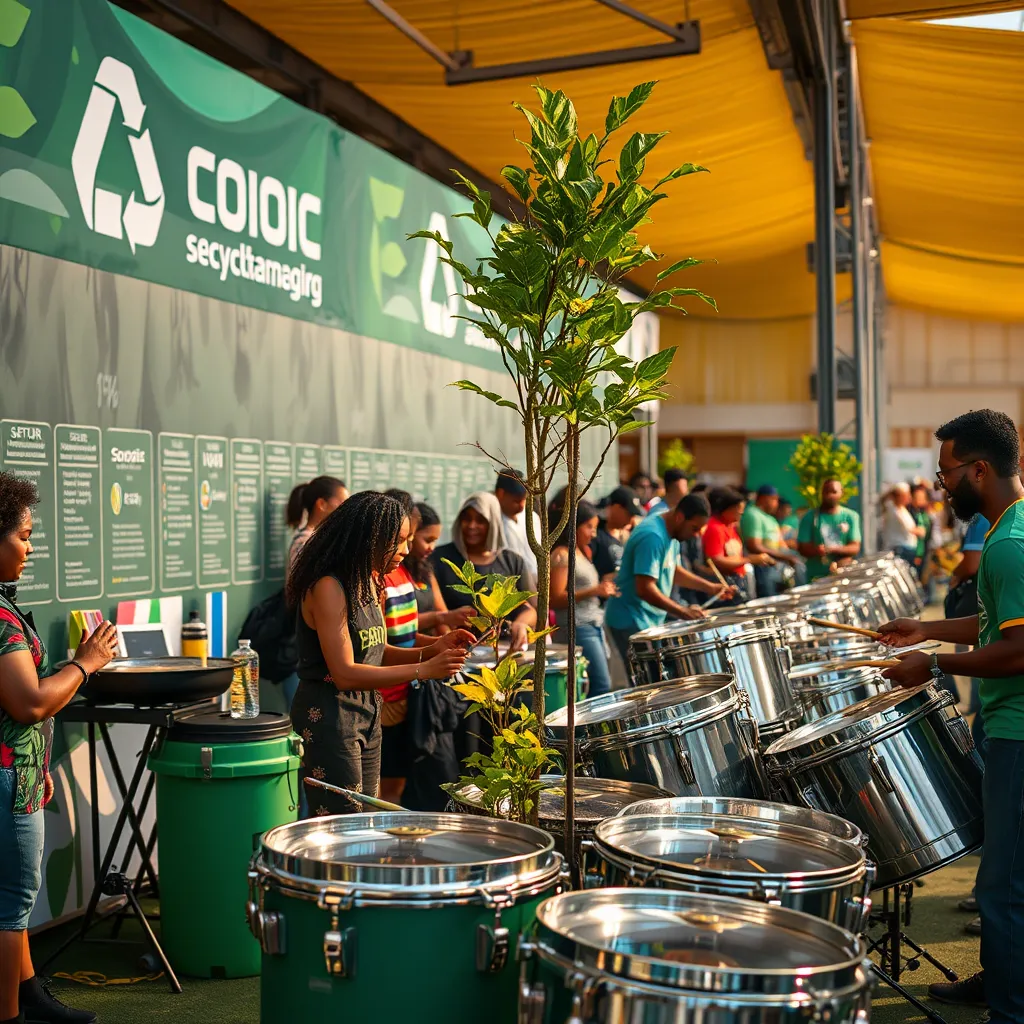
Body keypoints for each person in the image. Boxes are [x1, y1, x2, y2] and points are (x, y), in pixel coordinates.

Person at [877, 409, 1024, 1021]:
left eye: (947, 474)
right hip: (1011, 727)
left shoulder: (1011, 544)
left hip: (1019, 731)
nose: (942, 486)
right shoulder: (1005, 529)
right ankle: (998, 980)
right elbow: (998, 624)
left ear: (980, 469)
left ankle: (1009, 1010)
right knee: (1006, 878)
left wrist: (934, 666)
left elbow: (1018, 650)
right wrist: (929, 628)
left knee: (1003, 887)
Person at [0, 472, 119, 1024]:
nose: (29, 547)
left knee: (11, 903)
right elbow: (30, 704)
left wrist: (37, 764)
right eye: (23, 535)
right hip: (7, 781)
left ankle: (28, 997)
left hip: (17, 773)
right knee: (10, 907)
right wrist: (86, 662)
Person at [286, 492, 472, 816]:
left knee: (368, 817)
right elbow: (344, 672)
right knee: (342, 823)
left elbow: (375, 650)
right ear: (369, 538)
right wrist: (425, 669)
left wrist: (432, 649)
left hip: (368, 711)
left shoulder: (370, 581)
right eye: (398, 541)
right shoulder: (329, 587)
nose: (406, 550)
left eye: (408, 540)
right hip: (331, 717)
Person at [604, 493, 734, 668]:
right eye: (695, 528)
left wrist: (710, 588)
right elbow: (644, 588)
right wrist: (682, 611)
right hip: (630, 618)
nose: (696, 535)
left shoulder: (671, 531)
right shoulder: (653, 536)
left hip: (647, 618)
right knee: (649, 682)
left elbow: (673, 570)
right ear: (680, 517)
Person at [432, 492, 537, 652]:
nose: (472, 526)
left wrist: (521, 624)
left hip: (503, 652)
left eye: (480, 520)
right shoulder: (440, 559)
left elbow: (531, 608)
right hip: (455, 653)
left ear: (493, 523)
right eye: (467, 518)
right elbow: (435, 612)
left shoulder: (512, 561)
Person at [549, 501, 619, 698]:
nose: (594, 534)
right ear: (574, 526)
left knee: (595, 686)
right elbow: (554, 599)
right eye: (589, 527)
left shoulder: (581, 551)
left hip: (592, 624)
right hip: (578, 627)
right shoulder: (562, 555)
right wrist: (594, 591)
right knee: (601, 686)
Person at [405, 502, 474, 636]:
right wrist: (441, 618)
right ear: (410, 534)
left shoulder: (425, 568)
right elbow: (397, 626)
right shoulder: (395, 571)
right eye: (428, 540)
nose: (432, 547)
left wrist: (450, 641)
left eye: (435, 541)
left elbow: (442, 611)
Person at [703, 487, 773, 603]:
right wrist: (749, 559)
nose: (741, 516)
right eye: (739, 512)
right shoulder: (715, 528)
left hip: (738, 581)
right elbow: (716, 560)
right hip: (725, 587)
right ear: (729, 509)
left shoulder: (730, 526)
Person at [740, 485, 801, 597]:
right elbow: (754, 546)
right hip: (762, 569)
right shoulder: (753, 514)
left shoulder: (770, 518)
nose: (776, 504)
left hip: (776, 568)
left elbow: (780, 543)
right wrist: (785, 557)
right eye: (774, 499)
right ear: (764, 498)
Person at [797, 478, 862, 580]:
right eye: (826, 492)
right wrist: (816, 550)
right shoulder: (810, 517)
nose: (829, 495)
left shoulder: (851, 516)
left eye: (834, 492)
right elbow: (802, 547)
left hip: (844, 575)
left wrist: (832, 549)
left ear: (841, 493)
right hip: (817, 576)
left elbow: (855, 547)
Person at [286, 475, 349, 570]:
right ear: (322, 504)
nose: (347, 509)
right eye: (343, 503)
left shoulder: (322, 538)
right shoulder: (304, 543)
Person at [494, 469, 542, 580]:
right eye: (516, 501)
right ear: (501, 494)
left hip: (537, 581)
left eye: (523, 500)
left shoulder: (532, 518)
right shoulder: (490, 521)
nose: (521, 506)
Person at [592, 486, 645, 580]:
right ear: (616, 508)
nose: (632, 520)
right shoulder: (595, 536)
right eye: (629, 514)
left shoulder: (627, 535)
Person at [880, 482, 925, 565]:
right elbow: (909, 528)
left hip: (906, 549)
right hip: (899, 549)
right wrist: (919, 531)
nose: (909, 497)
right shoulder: (892, 509)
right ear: (899, 496)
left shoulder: (901, 509)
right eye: (906, 495)